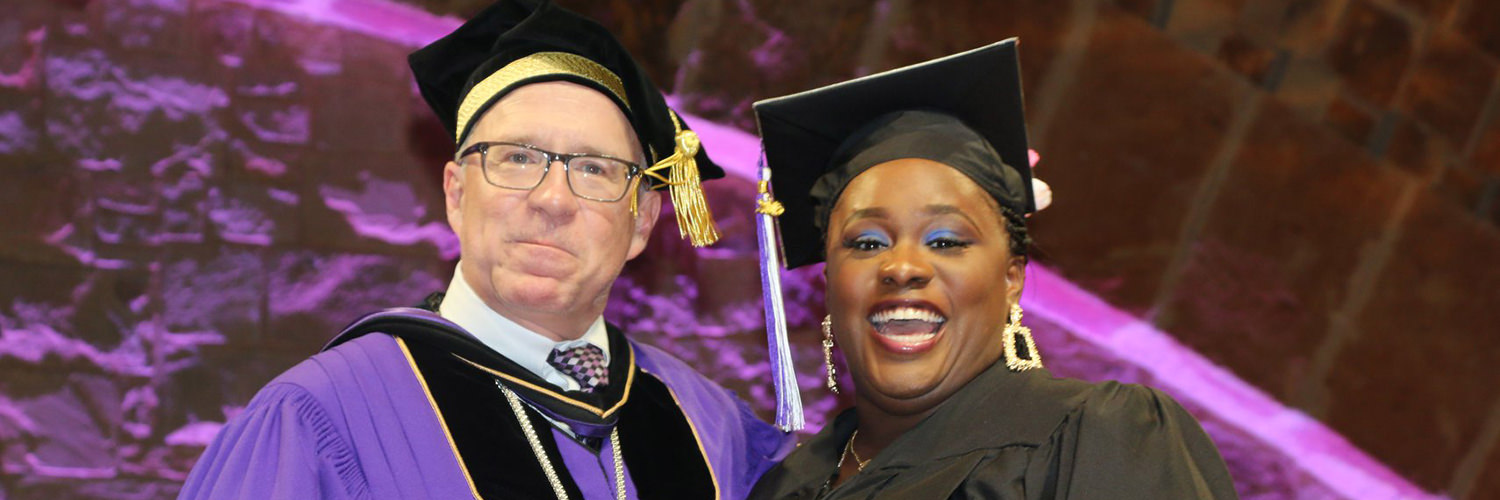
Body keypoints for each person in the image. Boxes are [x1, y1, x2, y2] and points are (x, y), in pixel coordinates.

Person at [178, 1, 791, 498]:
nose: (553, 199)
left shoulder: (711, 429)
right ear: (454, 193)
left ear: (642, 222)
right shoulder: (317, 419)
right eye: (517, 158)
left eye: (596, 170)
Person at [746, 40, 1239, 499]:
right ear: (830, 283)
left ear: (1012, 277)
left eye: (945, 240)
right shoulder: (788, 482)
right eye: (867, 242)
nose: (901, 267)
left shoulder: (1098, 436)